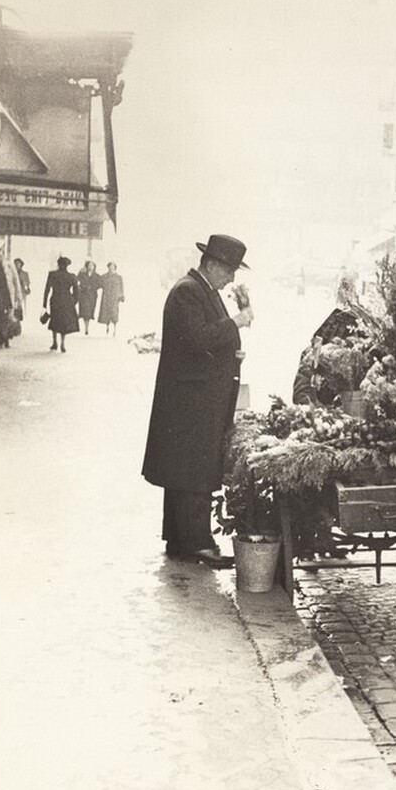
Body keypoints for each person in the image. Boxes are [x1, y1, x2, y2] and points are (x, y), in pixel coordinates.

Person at [142, 234, 254, 566]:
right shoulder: (188, 292)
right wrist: (236, 321)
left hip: (195, 395)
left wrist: (231, 351)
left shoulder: (201, 290)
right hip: (191, 399)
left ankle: (180, 539)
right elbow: (196, 339)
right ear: (214, 265)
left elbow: (207, 338)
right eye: (230, 270)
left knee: (185, 469)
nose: (232, 278)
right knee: (194, 468)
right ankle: (197, 542)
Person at [42, 256, 79, 353]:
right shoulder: (72, 276)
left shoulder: (52, 274)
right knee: (64, 323)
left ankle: (54, 342)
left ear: (58, 264)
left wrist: (44, 304)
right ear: (68, 265)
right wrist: (73, 302)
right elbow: (76, 292)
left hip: (55, 299)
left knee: (54, 320)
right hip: (67, 301)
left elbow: (47, 290)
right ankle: (62, 343)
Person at [98, 262, 125, 335]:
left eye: (112, 267)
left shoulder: (119, 277)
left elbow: (121, 287)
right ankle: (107, 326)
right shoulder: (104, 276)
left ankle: (114, 328)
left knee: (114, 313)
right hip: (106, 297)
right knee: (106, 312)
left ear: (115, 268)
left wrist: (122, 295)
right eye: (110, 266)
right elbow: (98, 283)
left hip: (115, 297)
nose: (111, 268)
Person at [77, 260, 103, 334]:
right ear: (86, 266)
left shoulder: (96, 276)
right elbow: (76, 280)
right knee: (85, 311)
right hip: (83, 295)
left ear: (94, 267)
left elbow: (100, 284)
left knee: (89, 311)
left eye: (92, 265)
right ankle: (86, 327)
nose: (90, 267)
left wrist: (93, 287)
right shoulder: (82, 274)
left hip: (92, 295)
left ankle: (87, 327)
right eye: (89, 265)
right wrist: (80, 287)